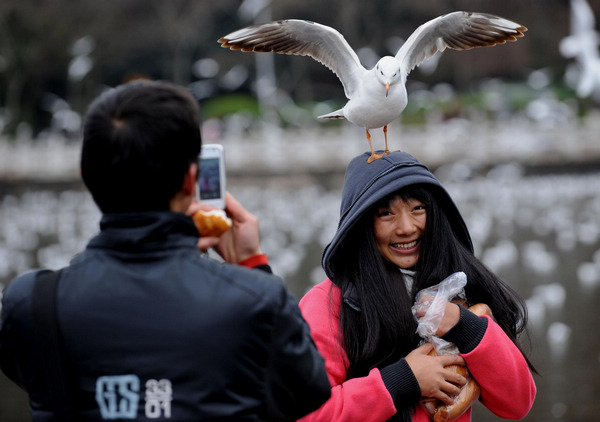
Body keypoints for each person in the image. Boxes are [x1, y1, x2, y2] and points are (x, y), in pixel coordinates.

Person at [0, 80, 330, 421]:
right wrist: (252, 265)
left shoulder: (30, 305)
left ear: (87, 177)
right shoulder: (255, 301)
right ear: (191, 181)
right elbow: (308, 392)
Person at [298, 151, 536, 421]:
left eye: (418, 208)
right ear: (362, 225)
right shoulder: (326, 304)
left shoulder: (457, 292)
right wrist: (401, 381)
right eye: (385, 213)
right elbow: (305, 413)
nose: (406, 227)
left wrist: (467, 327)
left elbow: (517, 403)